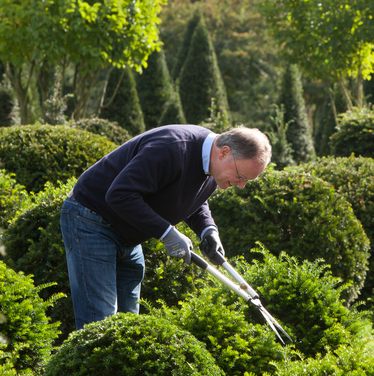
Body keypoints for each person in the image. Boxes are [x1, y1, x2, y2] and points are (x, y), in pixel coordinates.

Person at [60, 124, 272, 330]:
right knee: (100, 326)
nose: (241, 185)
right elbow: (119, 194)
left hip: (127, 233)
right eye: (240, 176)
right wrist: (167, 233)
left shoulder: (211, 167)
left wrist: (208, 230)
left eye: (246, 181)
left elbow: (192, 199)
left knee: (126, 329)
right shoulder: (172, 147)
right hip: (90, 219)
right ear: (224, 153)